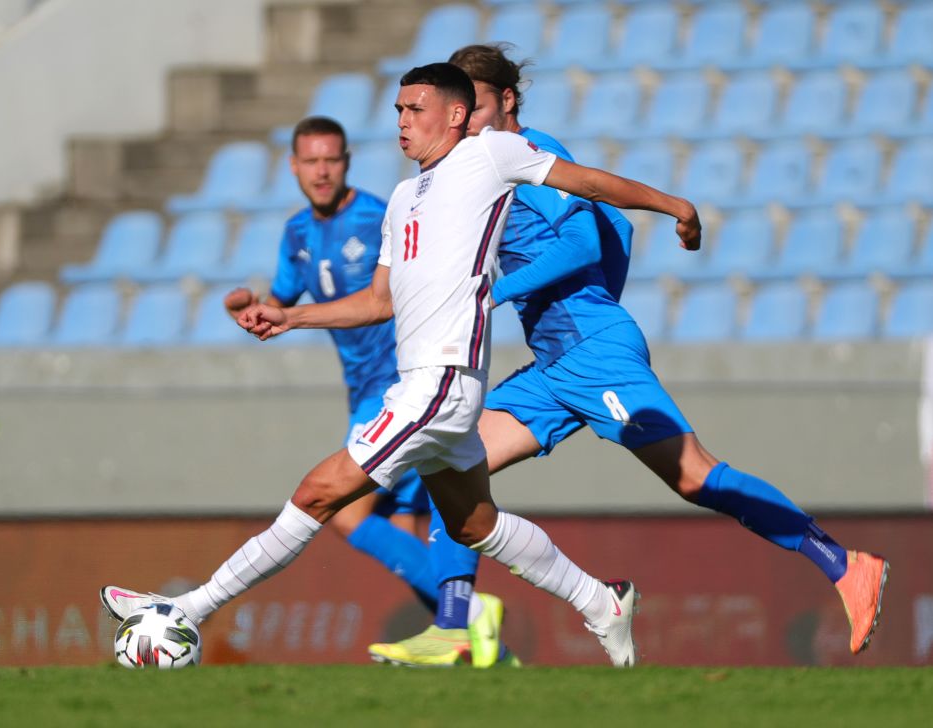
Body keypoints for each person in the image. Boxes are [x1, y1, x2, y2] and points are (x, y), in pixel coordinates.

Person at [101, 62, 702, 668]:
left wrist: (673, 204)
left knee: (317, 496)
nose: (402, 122)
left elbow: (589, 184)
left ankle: (187, 609)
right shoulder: (403, 196)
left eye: (416, 109)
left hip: (441, 384)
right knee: (474, 525)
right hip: (428, 386)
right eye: (398, 110)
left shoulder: (491, 154)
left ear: (457, 114)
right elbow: (377, 302)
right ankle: (603, 603)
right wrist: (289, 318)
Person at [371, 44, 889, 667]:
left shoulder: (530, 152)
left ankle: (844, 564)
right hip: (553, 368)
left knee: (694, 475)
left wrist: (492, 290)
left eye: (475, 106)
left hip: (594, 352)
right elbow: (615, 233)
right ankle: (455, 625)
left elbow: (587, 239)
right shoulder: (475, 168)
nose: (466, 122)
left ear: (506, 102)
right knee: (451, 464)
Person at [221, 115, 513, 664]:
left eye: (331, 159)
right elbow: (283, 301)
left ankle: (473, 615)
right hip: (362, 391)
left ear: (347, 161)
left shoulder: (381, 216)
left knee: (348, 514)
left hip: (402, 385)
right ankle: (479, 650)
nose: (322, 171)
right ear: (294, 167)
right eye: (311, 161)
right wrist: (251, 307)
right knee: (402, 528)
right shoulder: (297, 234)